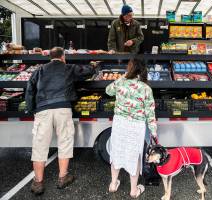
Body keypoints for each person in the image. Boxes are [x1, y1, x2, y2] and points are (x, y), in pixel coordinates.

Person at [25, 47, 97, 195]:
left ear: (50, 57)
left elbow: (30, 89)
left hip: (43, 109)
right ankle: (63, 177)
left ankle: (38, 183)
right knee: (64, 142)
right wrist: (94, 65)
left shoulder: (40, 70)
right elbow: (87, 72)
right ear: (63, 57)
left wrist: (32, 109)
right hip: (63, 109)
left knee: (39, 146)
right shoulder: (68, 68)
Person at [106, 58, 157, 198]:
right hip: (136, 125)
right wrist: (153, 132)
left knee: (116, 151)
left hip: (120, 123)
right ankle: (133, 190)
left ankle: (113, 184)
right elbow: (150, 112)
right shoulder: (146, 88)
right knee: (134, 155)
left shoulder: (121, 82)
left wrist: (123, 77)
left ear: (130, 69)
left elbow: (108, 91)